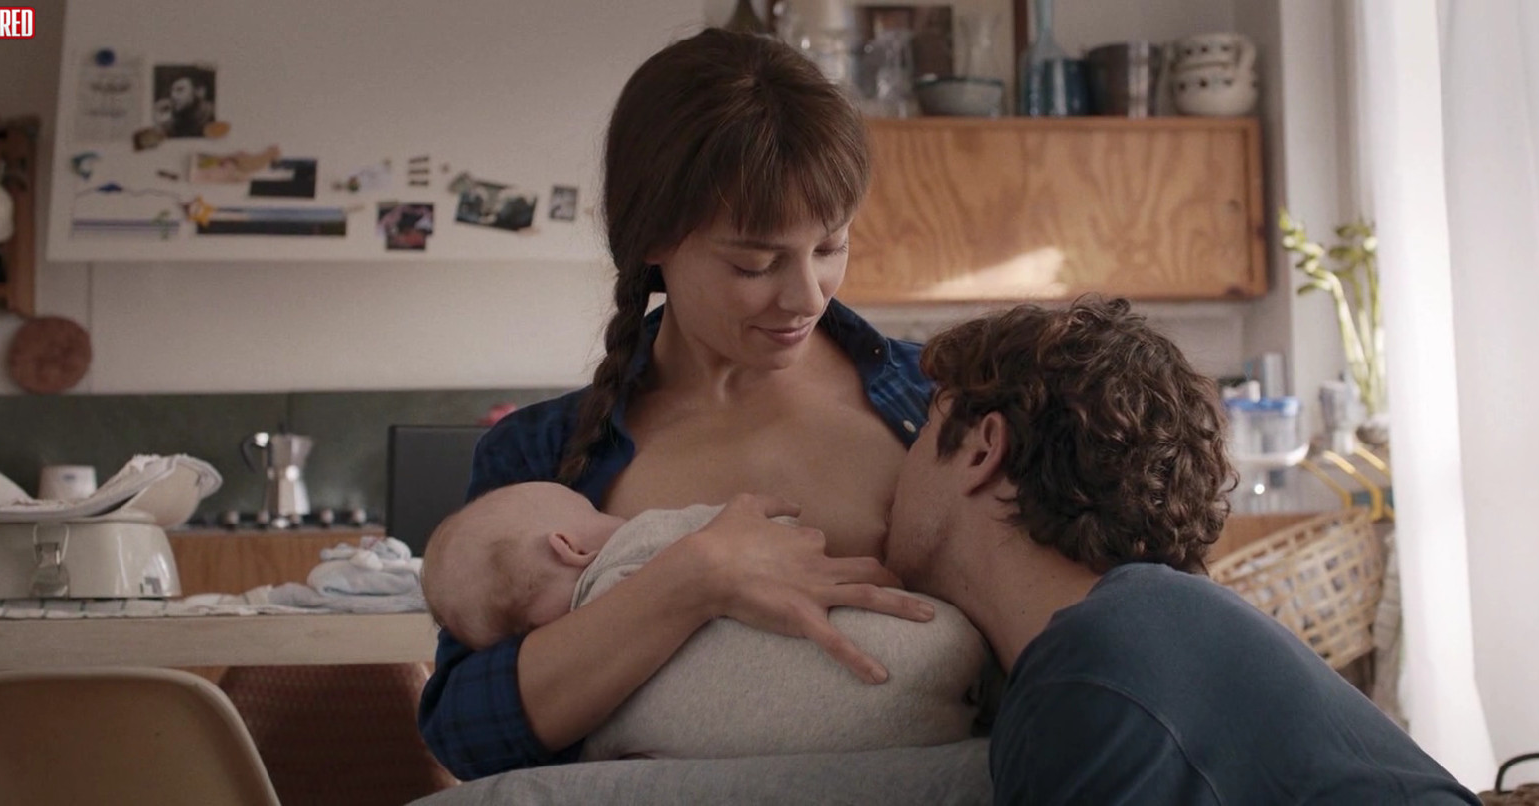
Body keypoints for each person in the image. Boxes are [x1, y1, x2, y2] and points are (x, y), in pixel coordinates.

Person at [417, 29, 942, 780]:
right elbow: (466, 734)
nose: (807, 297)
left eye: (830, 247)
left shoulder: (940, 401)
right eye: (755, 263)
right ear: (653, 238)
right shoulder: (539, 457)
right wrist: (692, 579)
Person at [884, 298, 1482, 804]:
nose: (896, 466)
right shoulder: (1145, 633)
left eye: (921, 430)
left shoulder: (1091, 673)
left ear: (983, 449)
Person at [420, 481, 985, 762]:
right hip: (937, 648)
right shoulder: (647, 537)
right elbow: (778, 536)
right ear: (569, 545)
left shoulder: (589, 715)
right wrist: (702, 565)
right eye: (595, 512)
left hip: (882, 749)